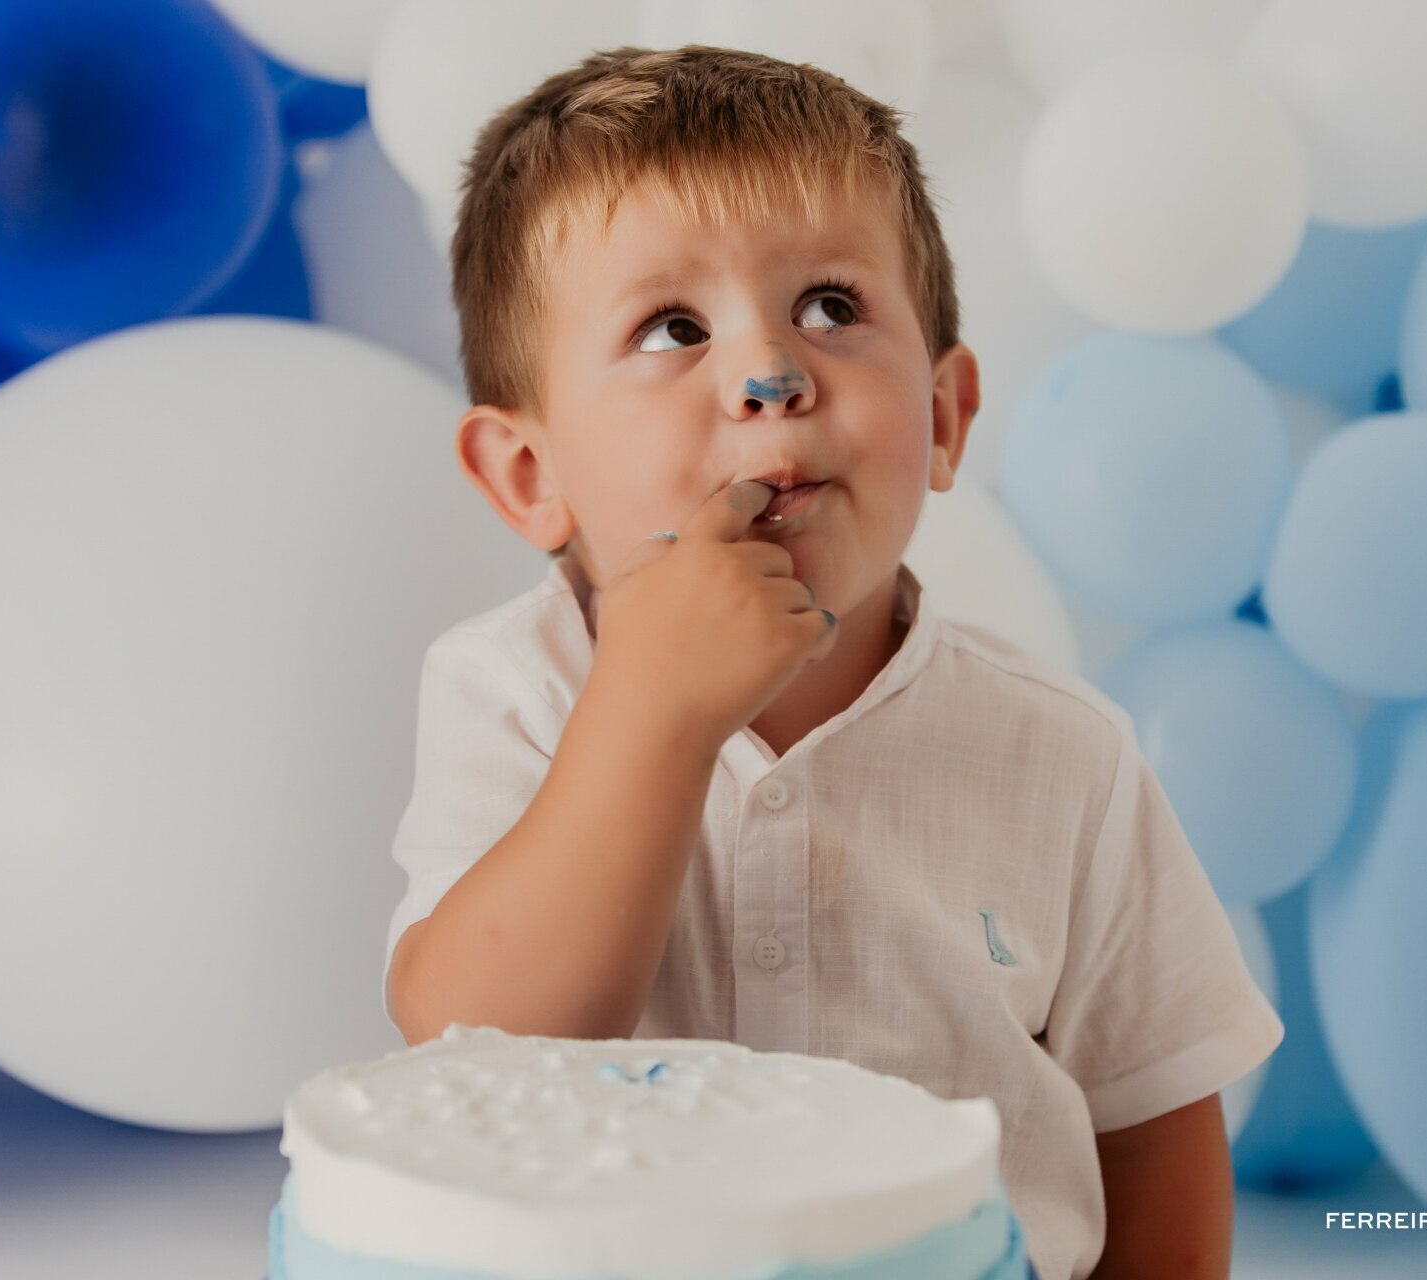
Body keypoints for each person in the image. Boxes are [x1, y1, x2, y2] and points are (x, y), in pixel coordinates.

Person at [381, 44, 1282, 1280]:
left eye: (831, 308)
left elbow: (1151, 1109)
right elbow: (477, 1036)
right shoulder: (512, 691)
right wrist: (649, 710)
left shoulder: (1060, 749)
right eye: (673, 327)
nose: (772, 376)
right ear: (529, 475)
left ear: (947, 416)